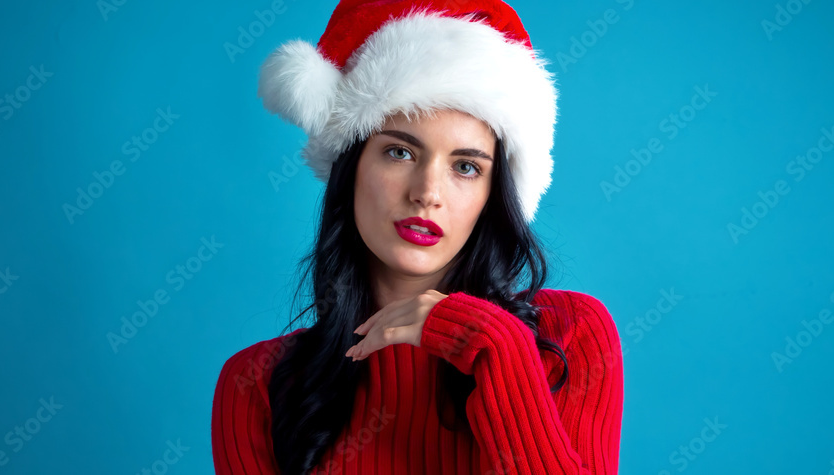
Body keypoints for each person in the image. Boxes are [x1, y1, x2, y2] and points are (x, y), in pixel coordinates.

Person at [211, 1, 624, 473]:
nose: (428, 193)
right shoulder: (257, 384)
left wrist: (493, 344)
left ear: (493, 194)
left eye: (466, 167)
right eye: (400, 152)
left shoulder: (568, 337)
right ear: (352, 169)